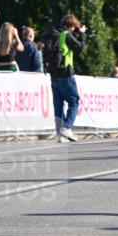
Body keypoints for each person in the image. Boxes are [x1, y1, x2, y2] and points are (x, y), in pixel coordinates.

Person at [42, 14, 87, 142]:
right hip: (66, 73)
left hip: (53, 74)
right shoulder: (66, 34)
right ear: (72, 26)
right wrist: (82, 34)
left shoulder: (53, 34)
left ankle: (60, 134)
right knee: (74, 101)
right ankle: (67, 128)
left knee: (58, 104)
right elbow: (80, 47)